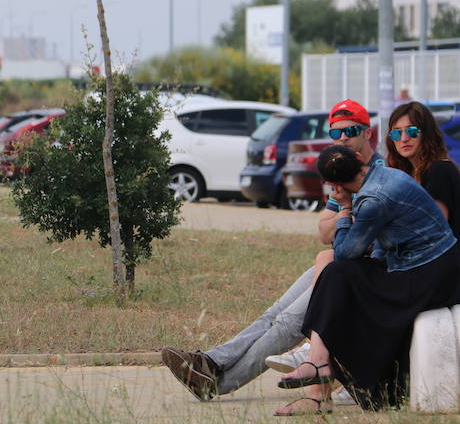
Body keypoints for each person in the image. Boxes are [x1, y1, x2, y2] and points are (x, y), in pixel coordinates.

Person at [160, 99, 385, 401]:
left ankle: (216, 382)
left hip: (363, 273)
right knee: (275, 313)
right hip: (339, 263)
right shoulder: (342, 169)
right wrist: (346, 215)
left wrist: (343, 215)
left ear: (368, 133)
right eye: (336, 133)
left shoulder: (377, 174)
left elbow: (359, 240)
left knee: (288, 323)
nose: (342, 138)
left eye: (351, 131)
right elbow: (324, 232)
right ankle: (211, 362)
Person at [274, 144, 460, 414]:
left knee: (338, 273)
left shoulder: (372, 199)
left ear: (333, 184)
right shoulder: (388, 176)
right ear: (360, 159)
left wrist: (345, 211)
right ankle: (318, 368)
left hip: (430, 276)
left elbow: (346, 252)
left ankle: (318, 368)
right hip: (430, 267)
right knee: (337, 274)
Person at [386, 101, 460, 239]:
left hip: (442, 256)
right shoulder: (405, 173)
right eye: (396, 133)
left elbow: (434, 227)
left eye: (411, 131)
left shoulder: (439, 169)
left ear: (427, 134)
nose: (404, 139)